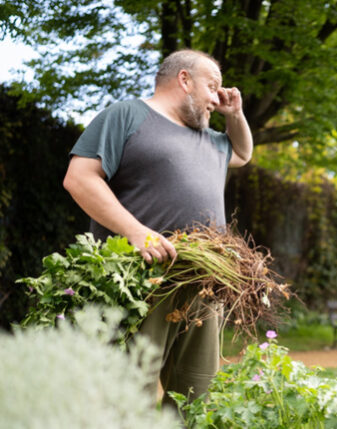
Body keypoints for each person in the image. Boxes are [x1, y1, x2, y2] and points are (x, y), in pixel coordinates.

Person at [63, 49, 253, 403]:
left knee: (197, 396)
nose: (217, 97)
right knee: (127, 395)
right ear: (184, 80)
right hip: (142, 279)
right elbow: (79, 178)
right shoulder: (127, 115)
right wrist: (137, 233)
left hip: (202, 286)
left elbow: (243, 154)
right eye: (212, 86)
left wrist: (236, 115)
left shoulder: (212, 139)